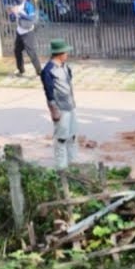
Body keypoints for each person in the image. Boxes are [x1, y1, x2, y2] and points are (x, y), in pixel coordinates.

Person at [41, 39, 78, 171]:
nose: (67, 54)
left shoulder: (65, 67)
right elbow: (49, 93)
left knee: (72, 136)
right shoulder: (48, 71)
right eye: (65, 52)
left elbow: (69, 83)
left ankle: (74, 165)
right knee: (61, 138)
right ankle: (61, 168)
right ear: (59, 54)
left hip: (70, 106)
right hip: (60, 108)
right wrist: (53, 110)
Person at [9, 0, 42, 77]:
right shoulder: (15, 6)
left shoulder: (28, 6)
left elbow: (31, 18)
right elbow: (12, 19)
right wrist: (12, 13)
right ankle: (21, 70)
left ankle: (39, 71)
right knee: (17, 51)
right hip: (19, 32)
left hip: (28, 32)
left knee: (31, 53)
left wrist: (19, 13)